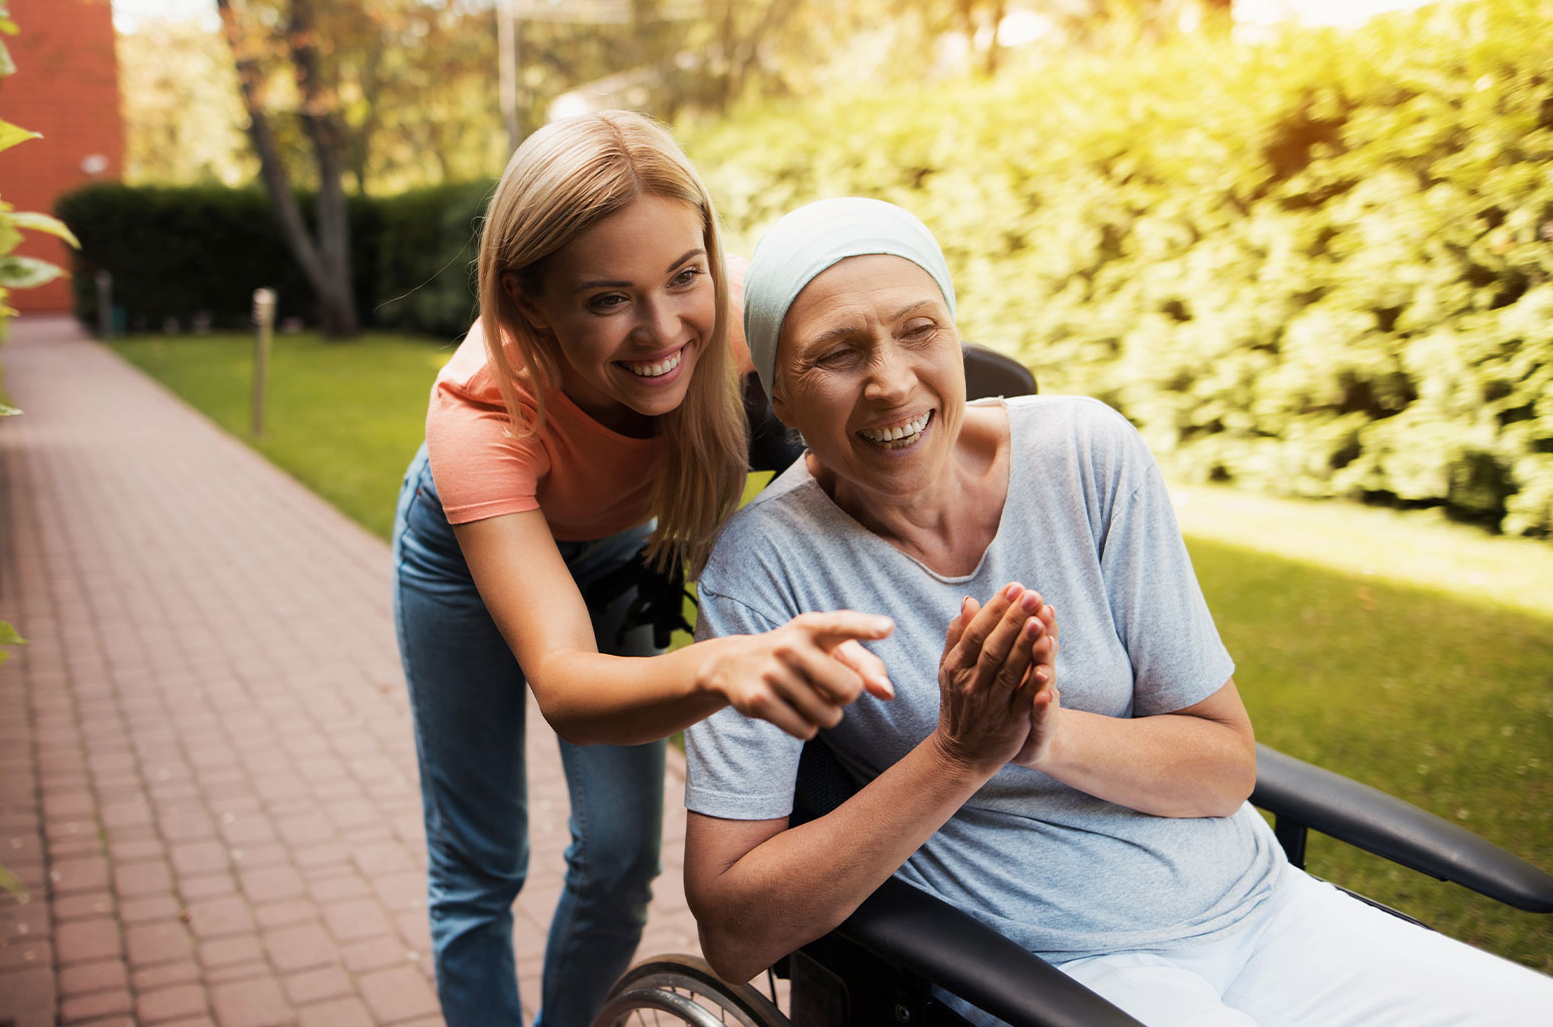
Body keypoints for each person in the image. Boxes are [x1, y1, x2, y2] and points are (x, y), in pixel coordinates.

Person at [680, 197, 1553, 1025]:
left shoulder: (1086, 455)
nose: (890, 382)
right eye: (837, 354)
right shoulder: (763, 568)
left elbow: (1222, 767)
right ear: (782, 398)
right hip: (1060, 971)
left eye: (919, 331)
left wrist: (1047, 734)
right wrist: (956, 754)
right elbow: (734, 930)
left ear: (953, 333)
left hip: (1265, 909)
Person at [391, 115, 897, 1027]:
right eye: (607, 299)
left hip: (618, 549)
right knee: (481, 859)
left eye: (682, 276)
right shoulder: (477, 416)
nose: (664, 333)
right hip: (461, 564)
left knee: (623, 857)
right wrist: (721, 665)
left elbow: (888, 370)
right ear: (531, 299)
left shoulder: (742, 320)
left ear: (709, 252)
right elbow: (567, 685)